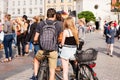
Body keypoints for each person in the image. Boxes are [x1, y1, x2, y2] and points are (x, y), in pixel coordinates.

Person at [33, 8, 62, 80]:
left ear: (47, 15)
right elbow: (60, 38)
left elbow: (35, 38)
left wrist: (36, 41)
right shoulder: (58, 25)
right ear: (54, 15)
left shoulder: (41, 23)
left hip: (42, 50)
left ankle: (36, 75)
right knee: (52, 72)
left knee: (36, 59)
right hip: (53, 50)